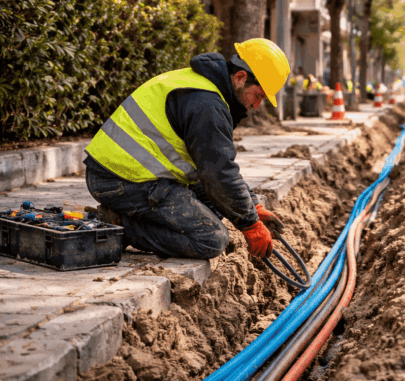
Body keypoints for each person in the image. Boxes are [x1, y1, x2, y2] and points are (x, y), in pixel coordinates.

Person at [84, 38, 289, 261]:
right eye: (258, 95)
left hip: (133, 174)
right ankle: (120, 225)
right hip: (118, 181)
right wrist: (250, 225)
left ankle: (130, 219)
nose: (256, 106)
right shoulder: (207, 105)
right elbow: (219, 174)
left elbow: (218, 167)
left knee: (221, 204)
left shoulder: (205, 88)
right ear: (240, 78)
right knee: (211, 239)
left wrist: (253, 205)